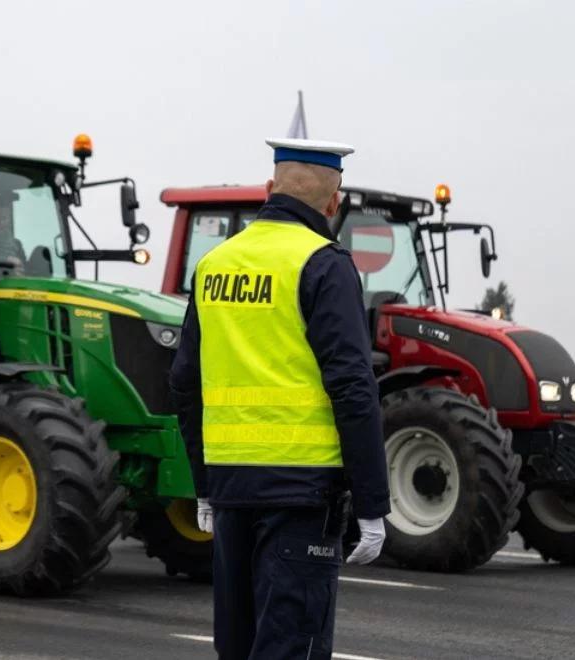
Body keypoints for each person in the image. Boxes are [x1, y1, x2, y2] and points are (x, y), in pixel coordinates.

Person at [169, 138, 390, 660]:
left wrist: (204, 485)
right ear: (335, 203)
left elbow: (184, 382)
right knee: (291, 647)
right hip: (301, 495)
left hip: (229, 490)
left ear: (269, 190)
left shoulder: (214, 265)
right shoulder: (324, 264)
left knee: (239, 647)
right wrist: (374, 505)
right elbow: (353, 387)